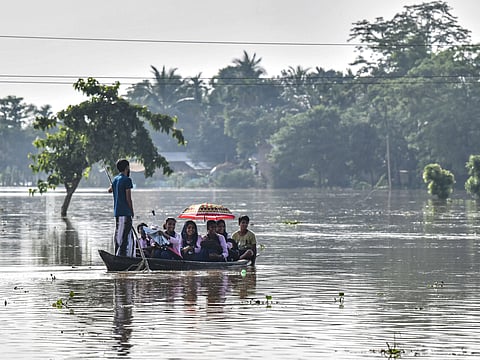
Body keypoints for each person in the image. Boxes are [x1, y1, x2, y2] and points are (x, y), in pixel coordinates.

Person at [108, 159, 135, 257]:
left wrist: (113, 185)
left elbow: (109, 190)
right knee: (122, 237)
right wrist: (132, 211)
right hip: (125, 212)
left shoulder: (116, 179)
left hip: (118, 212)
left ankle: (122, 255)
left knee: (121, 234)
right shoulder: (127, 180)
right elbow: (129, 199)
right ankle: (121, 256)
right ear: (127, 167)